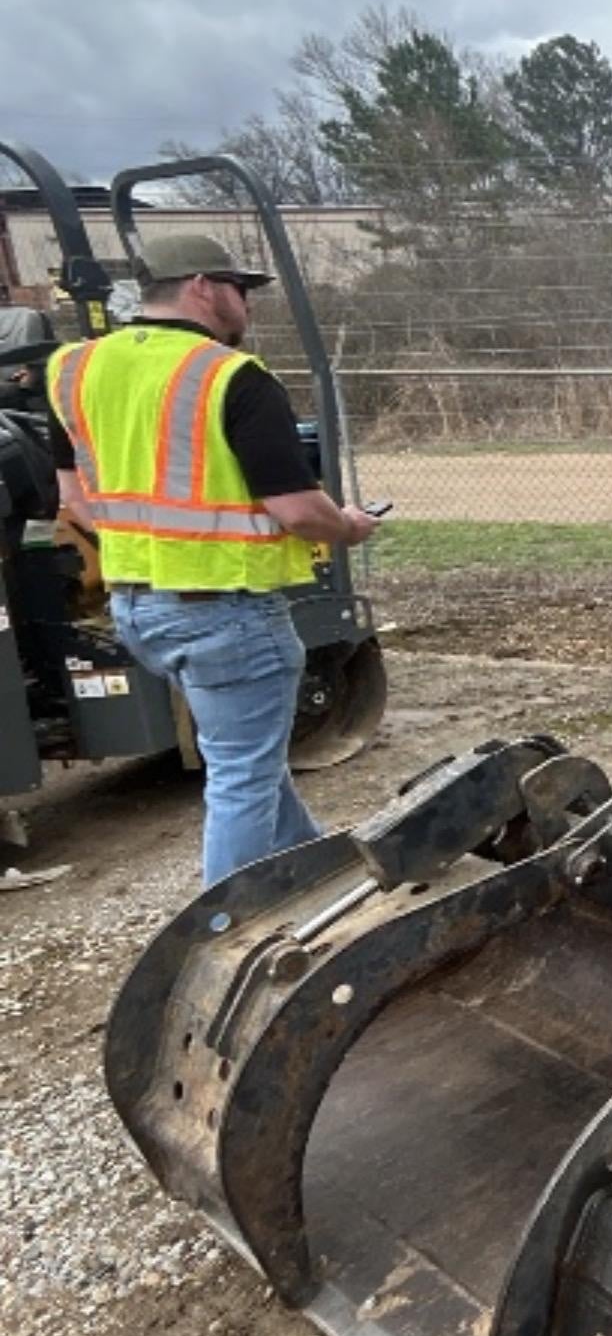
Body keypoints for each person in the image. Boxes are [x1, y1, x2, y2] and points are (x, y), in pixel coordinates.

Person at [46, 230, 381, 885]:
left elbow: (74, 501)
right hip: (226, 614)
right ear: (202, 287)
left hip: (138, 609)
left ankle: (316, 870)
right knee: (242, 778)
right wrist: (345, 526)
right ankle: (224, 923)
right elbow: (295, 509)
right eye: (238, 289)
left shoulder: (73, 369)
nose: (245, 305)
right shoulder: (232, 378)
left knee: (247, 758)